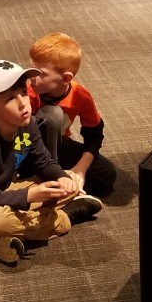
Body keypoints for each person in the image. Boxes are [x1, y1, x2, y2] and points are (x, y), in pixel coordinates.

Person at [0, 60, 103, 265]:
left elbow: (44, 160)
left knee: (71, 180)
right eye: (10, 98)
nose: (22, 103)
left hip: (7, 187)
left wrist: (62, 178)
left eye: (23, 93)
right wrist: (30, 195)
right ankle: (64, 218)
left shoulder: (27, 123)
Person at [26, 33, 118, 198]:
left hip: (57, 147)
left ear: (66, 78)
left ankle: (61, 187)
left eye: (40, 73)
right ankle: (48, 184)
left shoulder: (81, 96)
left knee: (107, 173)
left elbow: (94, 136)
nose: (31, 77)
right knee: (52, 115)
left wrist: (80, 171)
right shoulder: (27, 93)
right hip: (26, 149)